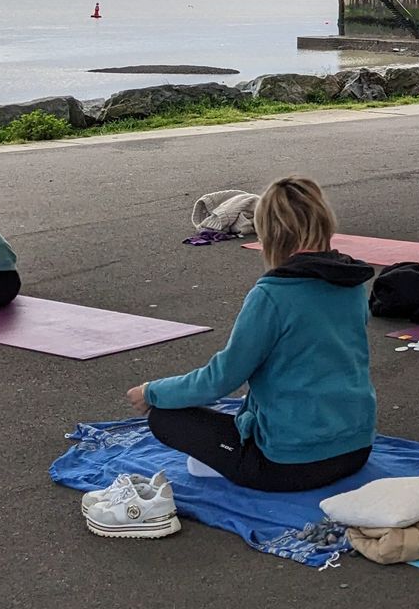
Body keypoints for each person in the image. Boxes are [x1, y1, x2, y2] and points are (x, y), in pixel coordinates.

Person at [126, 177, 376, 492]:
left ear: (269, 235)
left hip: (287, 465)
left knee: (163, 418)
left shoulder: (272, 296)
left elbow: (219, 380)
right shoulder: (352, 284)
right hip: (357, 450)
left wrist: (152, 392)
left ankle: (226, 462)